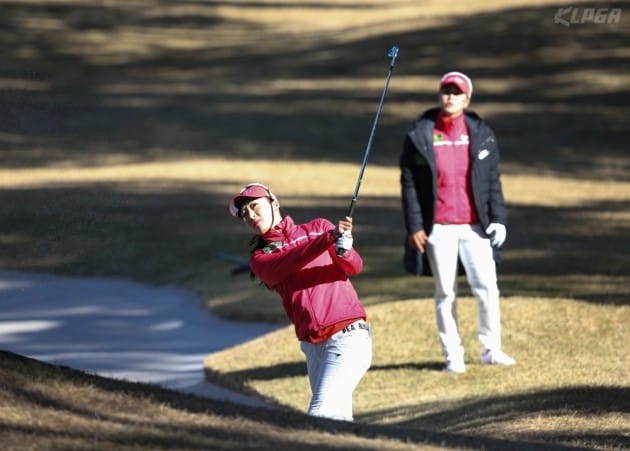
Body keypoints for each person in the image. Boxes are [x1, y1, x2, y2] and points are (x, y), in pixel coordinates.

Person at [399, 71, 516, 373]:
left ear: (467, 98)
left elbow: (493, 181)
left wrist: (499, 220)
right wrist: (415, 225)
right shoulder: (422, 134)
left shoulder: (481, 133)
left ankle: (491, 349)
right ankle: (454, 355)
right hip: (439, 227)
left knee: (487, 287)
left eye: (456, 92)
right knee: (445, 292)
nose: (449, 96)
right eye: (445, 91)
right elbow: (409, 182)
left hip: (474, 227)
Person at [228, 182, 372, 421]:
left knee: (317, 418)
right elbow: (292, 259)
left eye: (255, 206)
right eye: (245, 214)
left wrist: (344, 249)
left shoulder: (318, 227)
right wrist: (328, 238)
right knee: (337, 426)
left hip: (347, 337)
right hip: (313, 347)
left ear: (274, 201)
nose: (251, 215)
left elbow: (355, 267)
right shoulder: (261, 258)